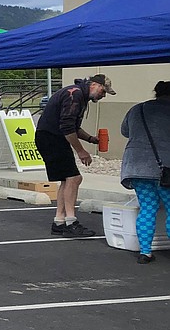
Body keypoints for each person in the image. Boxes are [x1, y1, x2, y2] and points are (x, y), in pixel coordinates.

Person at [36, 74, 112, 237]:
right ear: (94, 85)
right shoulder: (75, 94)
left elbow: (74, 128)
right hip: (51, 137)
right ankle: (71, 222)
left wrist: (91, 139)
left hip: (50, 136)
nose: (103, 95)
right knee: (74, 178)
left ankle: (59, 221)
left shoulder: (80, 95)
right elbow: (67, 127)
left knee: (67, 179)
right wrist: (81, 151)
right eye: (103, 91)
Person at [120, 80, 170, 263]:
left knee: (148, 208)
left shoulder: (137, 109)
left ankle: (145, 252)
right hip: (165, 168)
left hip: (136, 167)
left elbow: (125, 131)